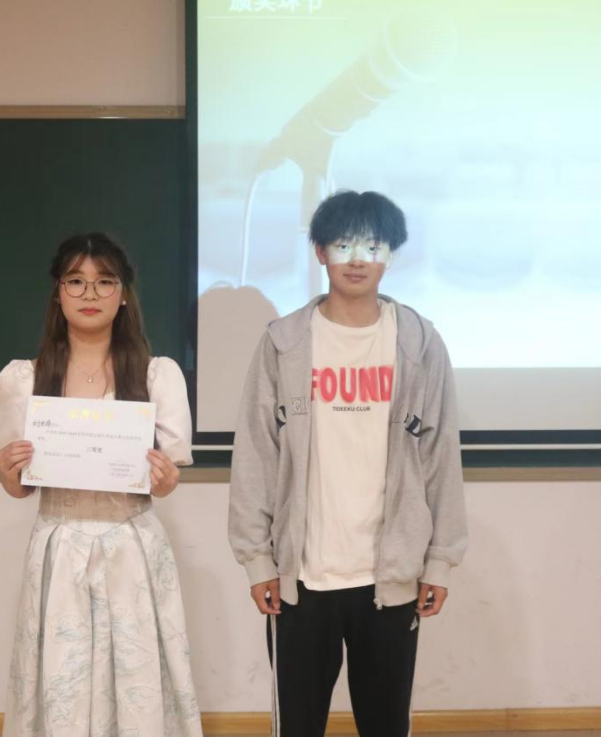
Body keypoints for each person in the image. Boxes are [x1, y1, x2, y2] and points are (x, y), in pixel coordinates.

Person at [228, 191, 468, 737]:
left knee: (385, 725)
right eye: (342, 245)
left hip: (390, 577)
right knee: (298, 726)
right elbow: (256, 454)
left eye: (372, 246)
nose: (357, 259)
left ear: (390, 254)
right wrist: (257, 560)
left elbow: (440, 456)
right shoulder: (284, 343)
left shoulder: (419, 343)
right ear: (320, 252)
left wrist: (439, 561)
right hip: (301, 579)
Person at [0, 233, 202, 737]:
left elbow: (166, 480)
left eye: (105, 282)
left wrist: (165, 479)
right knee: (61, 680)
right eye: (76, 282)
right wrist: (10, 471)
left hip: (131, 544)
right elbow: (19, 488)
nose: (90, 294)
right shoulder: (23, 379)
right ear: (58, 293)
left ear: (123, 294)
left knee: (134, 679)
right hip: (58, 544)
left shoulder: (156, 375)